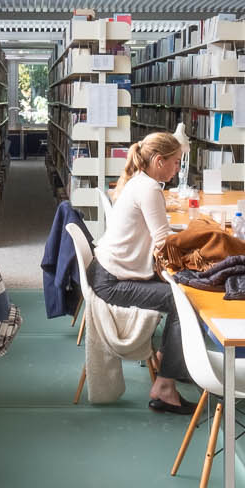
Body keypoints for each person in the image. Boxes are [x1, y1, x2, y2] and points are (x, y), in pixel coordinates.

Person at [88, 131, 194, 413]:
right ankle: (165, 386)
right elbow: (162, 243)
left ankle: (169, 356)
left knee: (179, 289)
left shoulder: (139, 182)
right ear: (159, 161)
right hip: (112, 282)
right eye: (175, 163)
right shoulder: (149, 188)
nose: (177, 170)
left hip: (110, 272)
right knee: (182, 299)